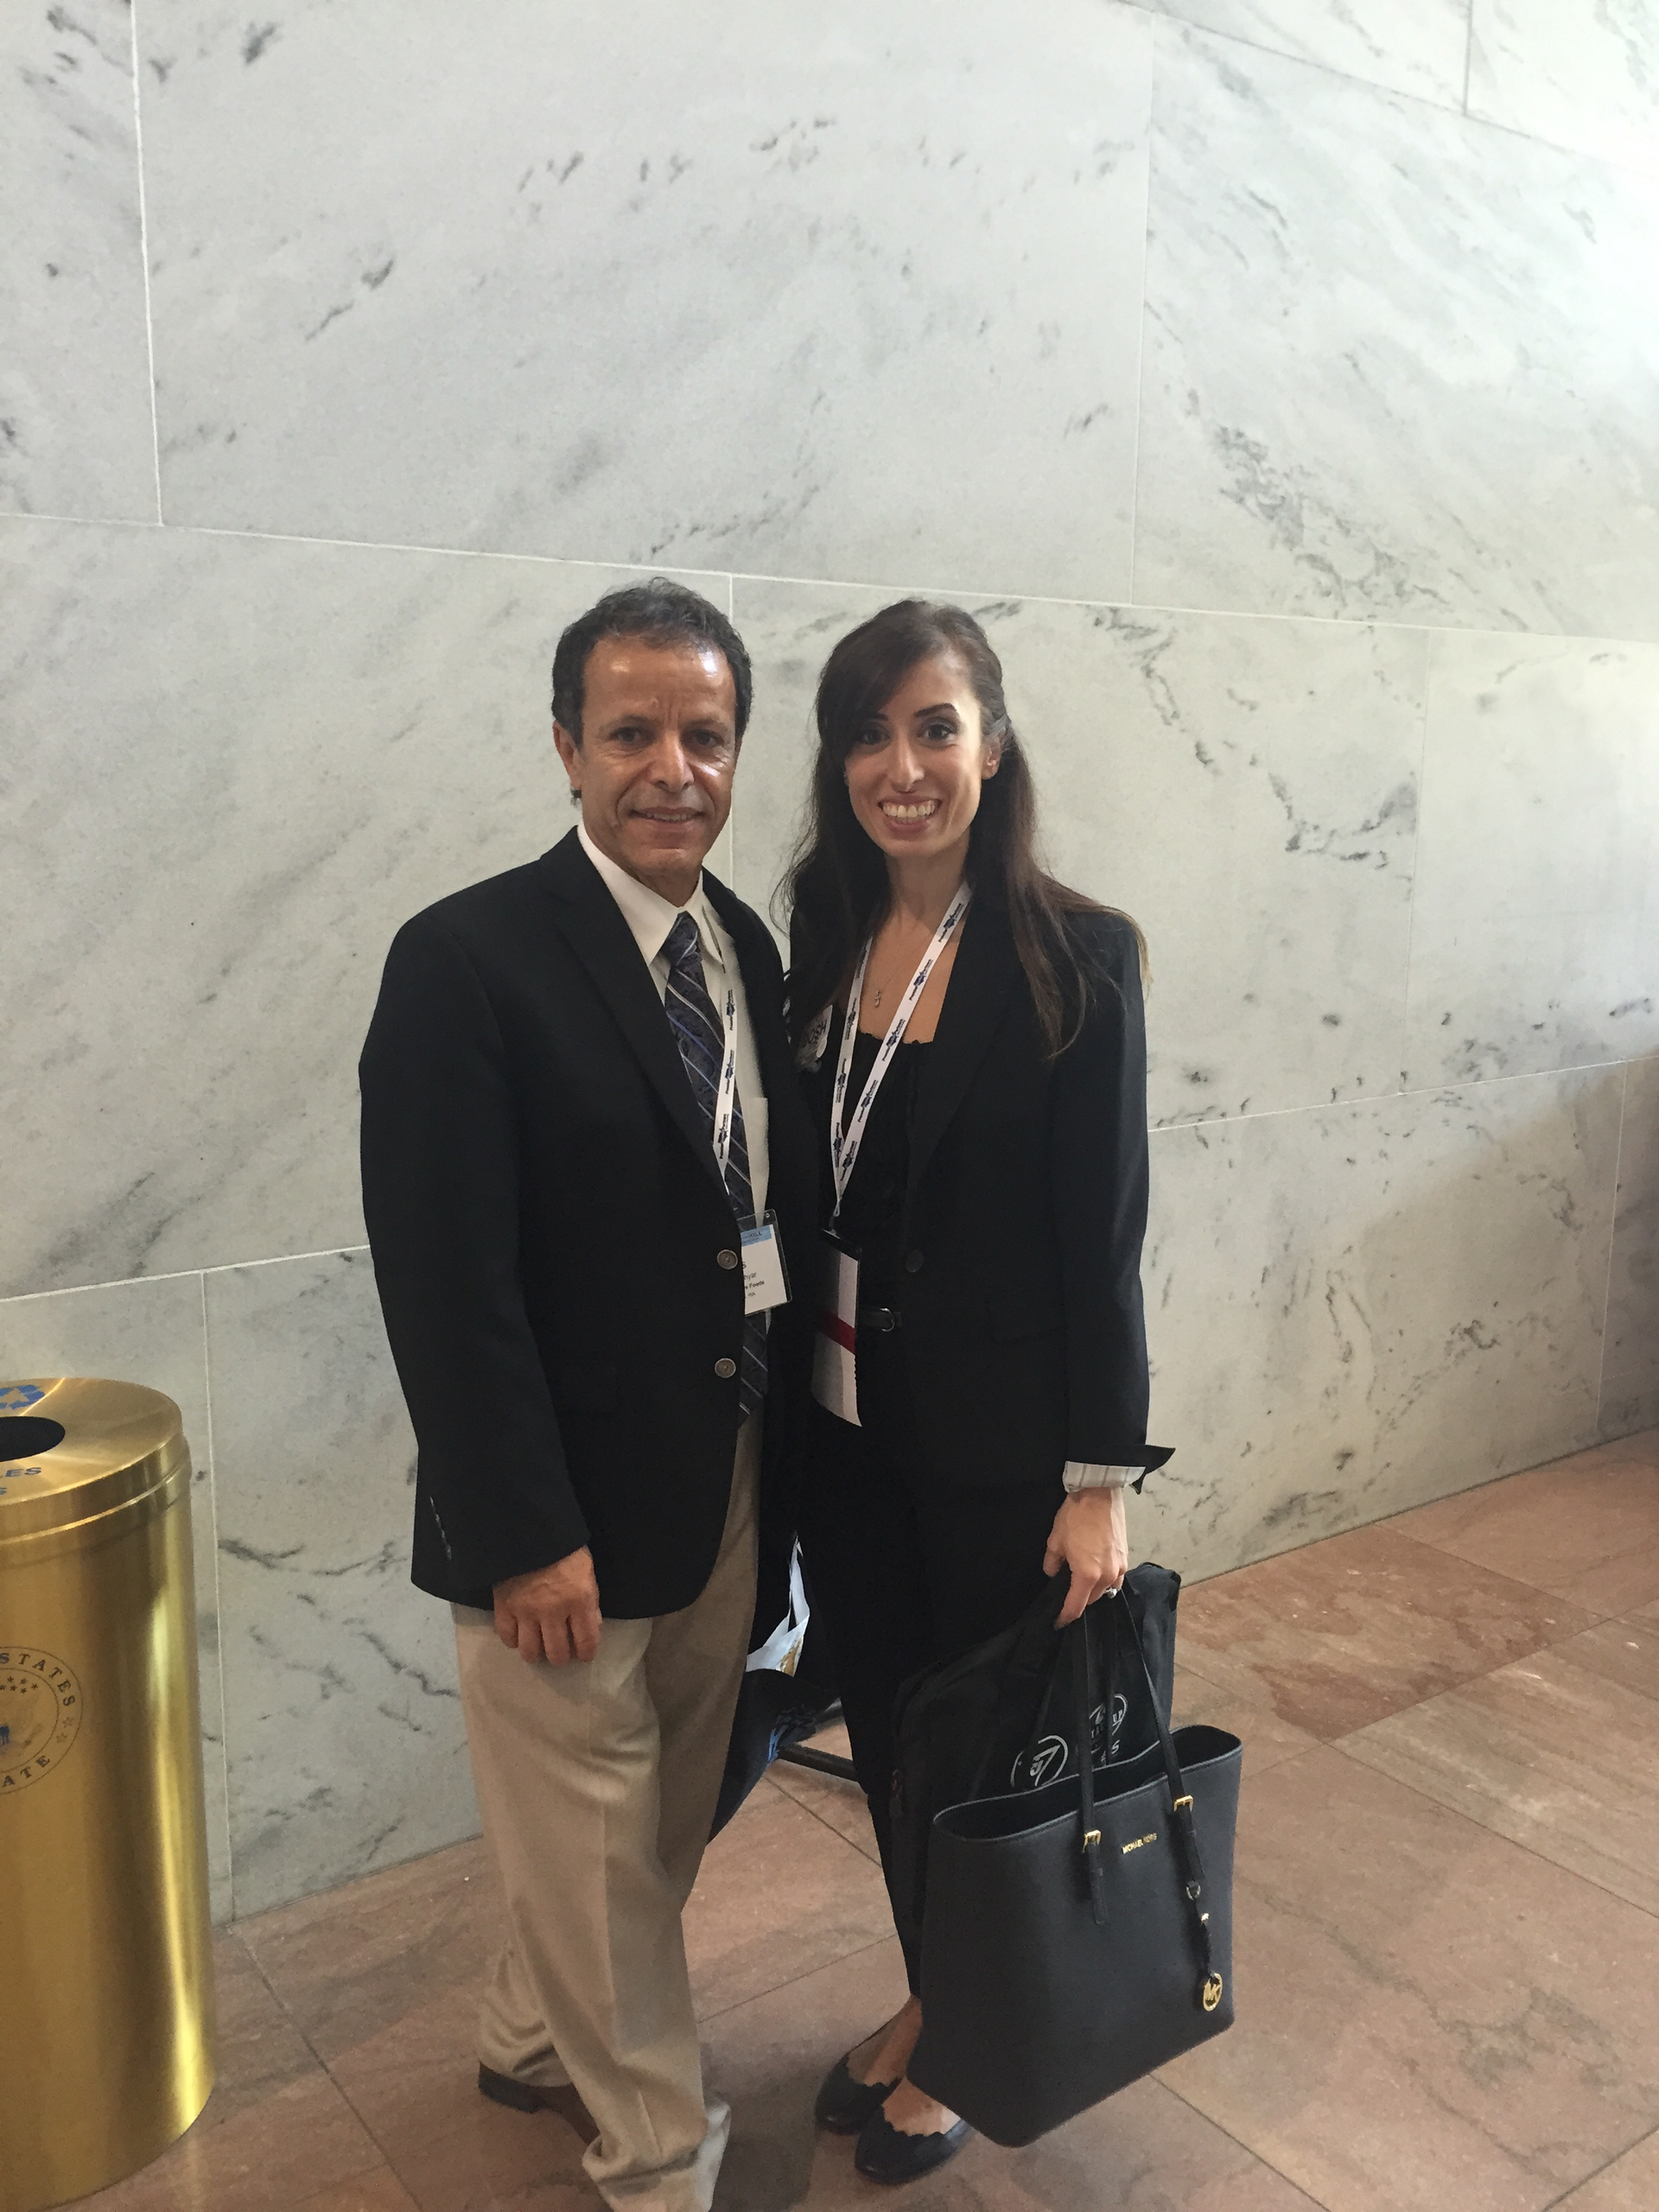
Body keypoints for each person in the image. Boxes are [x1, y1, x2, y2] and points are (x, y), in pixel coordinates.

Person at [359, 580, 816, 2212]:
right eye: (632, 731)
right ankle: (653, 2155)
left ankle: (526, 2029)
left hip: (724, 1482)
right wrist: (521, 1535)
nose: (671, 767)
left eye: (705, 734)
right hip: (552, 1511)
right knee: (605, 1852)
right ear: (567, 744)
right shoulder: (465, 962)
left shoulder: (745, 948)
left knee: (649, 1829)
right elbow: (442, 1284)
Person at [785, 601, 1163, 2184]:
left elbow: (1108, 1235)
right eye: (869, 734)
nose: (902, 766)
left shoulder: (1079, 954)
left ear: (992, 748)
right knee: (889, 1741)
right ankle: (944, 1995)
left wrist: (1101, 1483)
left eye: (934, 727)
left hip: (1005, 1451)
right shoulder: (815, 928)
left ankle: (969, 2039)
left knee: (991, 1755)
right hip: (841, 1430)